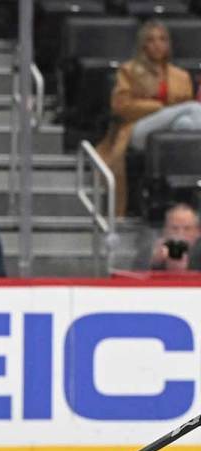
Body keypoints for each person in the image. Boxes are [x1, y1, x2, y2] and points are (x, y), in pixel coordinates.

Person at [96, 20, 199, 216]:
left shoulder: (181, 75)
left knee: (186, 122)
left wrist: (169, 111)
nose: (157, 44)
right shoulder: (129, 70)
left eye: (162, 39)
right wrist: (157, 108)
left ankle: (174, 189)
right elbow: (121, 106)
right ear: (143, 44)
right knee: (194, 108)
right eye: (151, 40)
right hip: (137, 130)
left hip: (170, 134)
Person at [135, 202, 201, 271]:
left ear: (198, 232)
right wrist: (154, 262)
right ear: (165, 231)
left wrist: (187, 268)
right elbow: (135, 276)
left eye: (187, 229)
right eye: (174, 228)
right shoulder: (151, 251)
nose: (180, 233)